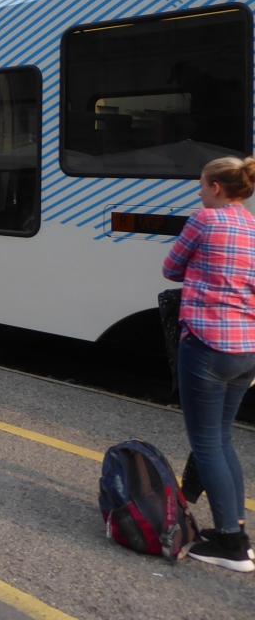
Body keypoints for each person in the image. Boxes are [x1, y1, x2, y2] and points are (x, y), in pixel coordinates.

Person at [162, 156, 255, 572]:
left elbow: (171, 269)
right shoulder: (253, 226)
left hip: (207, 344)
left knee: (206, 444)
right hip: (247, 349)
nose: (200, 192)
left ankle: (231, 544)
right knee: (222, 439)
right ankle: (237, 533)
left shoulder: (205, 220)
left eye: (202, 184)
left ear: (216, 187)